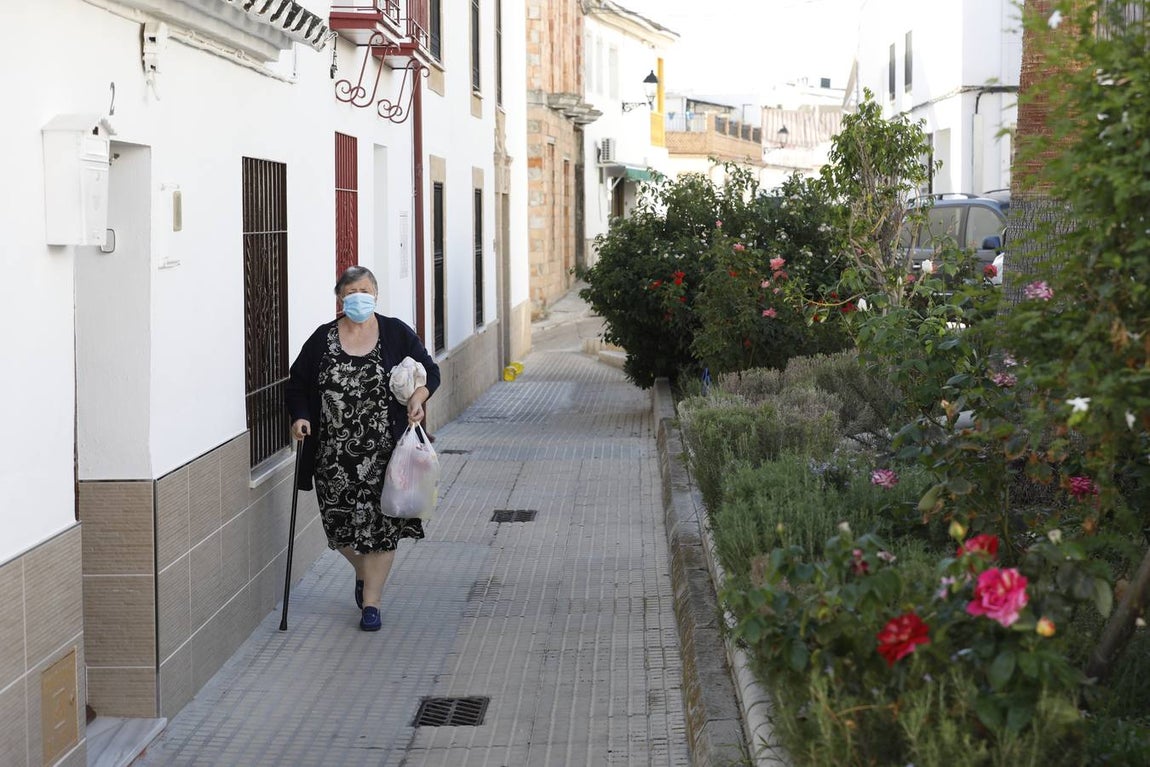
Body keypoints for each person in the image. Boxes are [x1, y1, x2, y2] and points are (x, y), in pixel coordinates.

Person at [286, 265, 440, 631]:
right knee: (338, 528)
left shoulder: (395, 332)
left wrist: (418, 397)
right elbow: (297, 383)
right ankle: (364, 571)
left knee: (383, 529)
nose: (359, 298)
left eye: (365, 291)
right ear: (340, 298)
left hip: (386, 456)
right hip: (332, 459)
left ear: (376, 294)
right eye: (351, 292)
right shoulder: (322, 339)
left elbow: (430, 372)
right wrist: (301, 417)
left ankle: (372, 603)